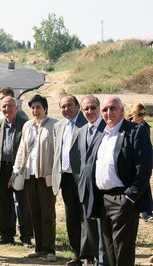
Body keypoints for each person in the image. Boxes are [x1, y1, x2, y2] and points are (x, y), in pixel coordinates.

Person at [89, 96, 152, 266]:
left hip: (123, 199)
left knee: (122, 251)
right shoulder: (102, 135)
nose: (108, 113)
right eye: (105, 110)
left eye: (112, 108)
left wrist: (130, 197)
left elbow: (144, 167)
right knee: (108, 252)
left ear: (122, 110)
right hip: (103, 200)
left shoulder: (135, 131)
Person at [13, 94, 58, 262]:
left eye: (38, 107)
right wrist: (16, 171)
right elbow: (22, 150)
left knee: (48, 213)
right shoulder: (27, 126)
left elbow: (58, 151)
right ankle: (39, 248)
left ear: (45, 108)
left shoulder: (54, 125)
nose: (35, 110)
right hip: (29, 175)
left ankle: (49, 249)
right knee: (35, 212)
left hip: (46, 176)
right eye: (32, 107)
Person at [52, 94, 92, 266]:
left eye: (69, 105)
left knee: (86, 218)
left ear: (77, 106)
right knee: (71, 218)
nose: (66, 109)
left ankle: (88, 256)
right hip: (65, 178)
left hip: (83, 179)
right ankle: (77, 253)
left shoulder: (87, 123)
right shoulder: (58, 126)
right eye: (63, 106)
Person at [0, 96, 32, 245]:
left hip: (19, 169)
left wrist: (20, 169)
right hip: (3, 169)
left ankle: (26, 237)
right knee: (4, 204)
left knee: (23, 204)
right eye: (4, 106)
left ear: (16, 107)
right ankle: (6, 236)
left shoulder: (25, 125)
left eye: (10, 106)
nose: (7, 109)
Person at [77, 95, 107, 265]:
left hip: (102, 189)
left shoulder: (107, 129)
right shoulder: (82, 131)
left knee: (103, 229)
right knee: (90, 228)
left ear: (99, 108)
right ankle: (95, 258)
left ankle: (103, 260)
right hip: (85, 189)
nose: (90, 112)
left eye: (93, 108)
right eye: (86, 109)